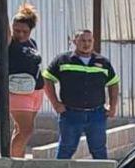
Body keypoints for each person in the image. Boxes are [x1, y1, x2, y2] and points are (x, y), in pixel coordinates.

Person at [43, 29, 119, 160]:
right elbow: (46, 79)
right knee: (66, 149)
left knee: (99, 150)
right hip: (70, 114)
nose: (86, 44)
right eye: (83, 40)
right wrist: (55, 103)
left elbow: (113, 83)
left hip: (96, 115)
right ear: (74, 42)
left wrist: (112, 106)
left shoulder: (103, 62)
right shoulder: (63, 60)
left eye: (89, 41)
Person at [7, 3, 45, 158]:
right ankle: (13, 163)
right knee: (26, 130)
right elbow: (5, 28)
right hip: (18, 91)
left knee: (21, 129)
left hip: (36, 90)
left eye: (25, 31)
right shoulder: (10, 42)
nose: (21, 34)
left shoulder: (31, 43)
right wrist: (0, 1)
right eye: (17, 30)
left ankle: (18, 158)